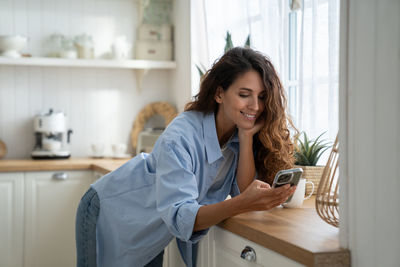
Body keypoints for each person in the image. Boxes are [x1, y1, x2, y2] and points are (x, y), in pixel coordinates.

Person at [75, 47, 297, 267]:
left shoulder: (238, 135)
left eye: (261, 97)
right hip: (111, 212)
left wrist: (247, 137)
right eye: (244, 94)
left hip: (152, 230)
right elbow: (183, 215)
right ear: (220, 93)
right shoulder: (181, 136)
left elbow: (245, 191)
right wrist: (240, 203)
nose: (256, 106)